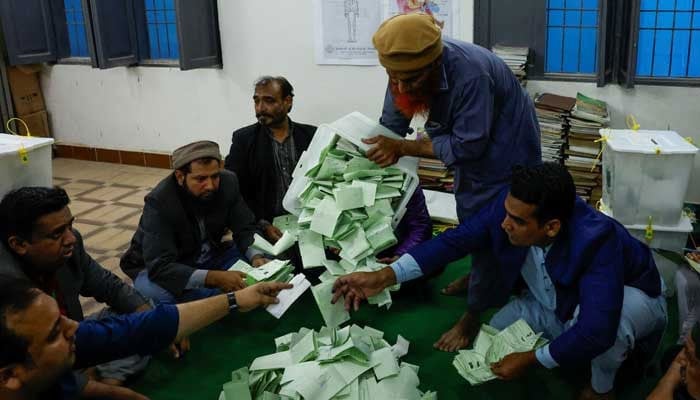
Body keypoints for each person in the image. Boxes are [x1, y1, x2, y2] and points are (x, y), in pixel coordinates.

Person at [332, 163, 667, 399]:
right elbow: (454, 241)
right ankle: (561, 331)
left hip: (632, 301)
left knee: (605, 329)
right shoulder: (512, 209)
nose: (504, 224)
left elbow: (598, 329)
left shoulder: (597, 240)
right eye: (505, 213)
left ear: (551, 227)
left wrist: (532, 359)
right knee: (497, 334)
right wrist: (384, 276)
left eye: (516, 221)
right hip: (555, 302)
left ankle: (600, 389)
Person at [363, 12, 542, 342]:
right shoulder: (404, 70)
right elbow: (391, 124)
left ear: (434, 65)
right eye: (393, 77)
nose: (401, 87)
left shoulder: (471, 75)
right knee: (468, 211)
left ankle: (474, 314)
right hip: (471, 149)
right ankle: (478, 277)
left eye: (411, 80)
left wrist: (403, 147)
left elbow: (468, 147)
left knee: (496, 228)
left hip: (506, 148)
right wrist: (367, 161)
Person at [0, 276, 291, 400]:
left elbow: (142, 328)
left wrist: (236, 299)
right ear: (10, 375)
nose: (73, 328)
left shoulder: (49, 356)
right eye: (54, 334)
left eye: (62, 317)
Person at [0, 187, 156, 398]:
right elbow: (29, 363)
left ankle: (101, 377)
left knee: (143, 309)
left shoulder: (71, 246)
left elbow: (110, 287)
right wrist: (110, 393)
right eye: (57, 233)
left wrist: (154, 321)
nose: (70, 238)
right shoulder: (6, 288)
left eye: (70, 226)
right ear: (19, 244)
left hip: (69, 339)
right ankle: (89, 382)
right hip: (39, 358)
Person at [121, 140, 268, 305]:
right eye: (200, 179)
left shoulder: (228, 182)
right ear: (180, 177)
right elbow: (159, 265)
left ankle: (215, 299)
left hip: (209, 254)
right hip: (159, 266)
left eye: (215, 176)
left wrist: (257, 257)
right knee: (161, 299)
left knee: (263, 255)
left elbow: (245, 227)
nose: (210, 186)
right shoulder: (160, 202)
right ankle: (214, 302)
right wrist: (212, 278)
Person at [224, 76, 317, 244]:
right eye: (256, 101)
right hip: (267, 223)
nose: (260, 108)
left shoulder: (311, 136)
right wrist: (262, 224)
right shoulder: (244, 140)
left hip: (310, 220)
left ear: (287, 101)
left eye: (268, 101)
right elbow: (235, 190)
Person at [647, 322, 700, 400]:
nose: (683, 362)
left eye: (693, 363)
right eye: (685, 351)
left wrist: (668, 382)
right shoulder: (673, 356)